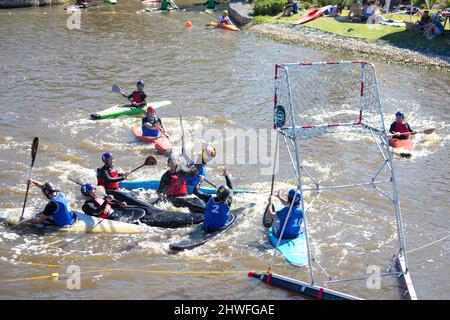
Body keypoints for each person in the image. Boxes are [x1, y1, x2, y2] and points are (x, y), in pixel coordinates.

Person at [193, 167, 233, 232]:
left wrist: (200, 180)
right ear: (227, 197)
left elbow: (195, 191)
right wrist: (226, 175)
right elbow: (230, 189)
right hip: (220, 230)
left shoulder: (208, 199)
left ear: (217, 193)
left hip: (206, 229)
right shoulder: (229, 201)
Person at [80, 184, 145, 223]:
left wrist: (119, 204)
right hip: (110, 219)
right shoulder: (87, 205)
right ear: (89, 193)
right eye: (93, 190)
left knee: (142, 211)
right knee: (138, 220)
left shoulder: (96, 199)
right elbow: (97, 212)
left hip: (116, 213)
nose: (95, 191)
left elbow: (108, 206)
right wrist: (106, 201)